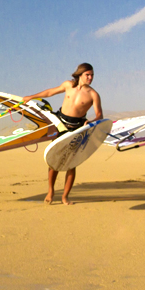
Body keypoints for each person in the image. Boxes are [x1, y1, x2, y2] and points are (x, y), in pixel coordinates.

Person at [23, 63, 103, 205]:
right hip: (60, 125)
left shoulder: (93, 94)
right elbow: (50, 92)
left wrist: (91, 121)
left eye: (92, 75)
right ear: (80, 74)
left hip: (77, 129)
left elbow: (99, 115)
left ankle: (65, 196)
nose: (91, 78)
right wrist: (32, 97)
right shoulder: (68, 85)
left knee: (72, 164)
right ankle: (50, 191)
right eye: (88, 75)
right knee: (54, 161)